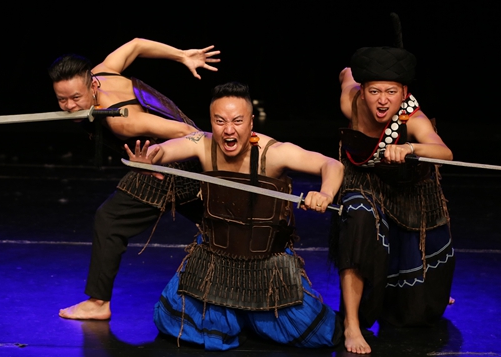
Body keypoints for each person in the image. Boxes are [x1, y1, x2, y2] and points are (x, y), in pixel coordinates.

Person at [124, 81, 345, 351]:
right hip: (215, 261)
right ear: (212, 122)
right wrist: (148, 159)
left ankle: (251, 319)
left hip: (266, 265)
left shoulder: (274, 153)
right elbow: (165, 149)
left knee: (318, 334)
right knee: (169, 320)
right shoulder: (202, 143)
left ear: (251, 123)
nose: (228, 130)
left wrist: (325, 193)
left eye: (237, 121)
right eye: (220, 121)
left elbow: (331, 164)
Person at [48, 38, 220, 320]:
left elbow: (189, 133)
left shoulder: (123, 121)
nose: (69, 106)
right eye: (62, 99)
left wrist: (225, 157)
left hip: (171, 162)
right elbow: (137, 44)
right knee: (217, 225)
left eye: (76, 98)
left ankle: (98, 302)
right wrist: (181, 55)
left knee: (109, 219)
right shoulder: (103, 71)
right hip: (172, 160)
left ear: (93, 86)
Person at [328, 41, 456, 354]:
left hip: (406, 185)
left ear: (404, 92)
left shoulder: (413, 117)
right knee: (357, 221)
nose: (382, 100)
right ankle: (352, 323)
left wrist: (411, 147)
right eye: (374, 91)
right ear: (363, 91)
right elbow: (347, 76)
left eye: (391, 92)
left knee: (416, 312)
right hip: (362, 178)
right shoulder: (350, 101)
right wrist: (349, 72)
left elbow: (445, 152)